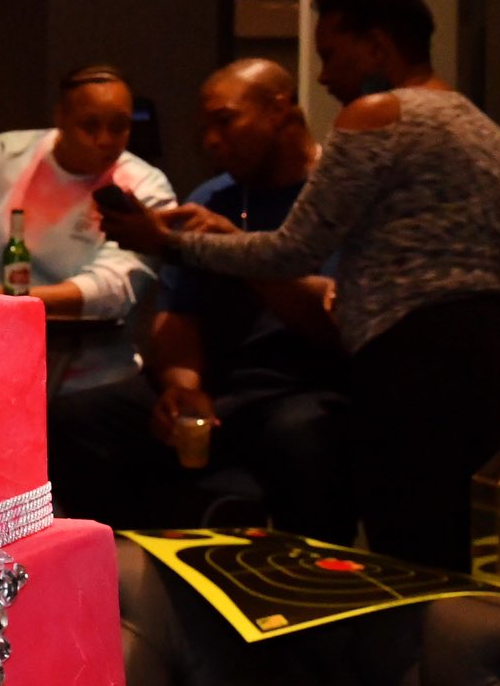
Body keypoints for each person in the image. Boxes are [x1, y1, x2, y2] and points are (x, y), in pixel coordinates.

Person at [104, 0, 500, 571]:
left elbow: (290, 253)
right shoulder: (484, 129)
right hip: (496, 355)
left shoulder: (375, 116)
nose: (325, 77)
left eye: (333, 55)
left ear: (378, 46)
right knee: (471, 556)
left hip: (413, 362)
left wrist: (165, 242)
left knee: (408, 559)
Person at [48, 60, 351, 538]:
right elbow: (176, 314)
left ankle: (308, 588)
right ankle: (132, 565)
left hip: (298, 386)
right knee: (75, 419)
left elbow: (332, 320)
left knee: (303, 437)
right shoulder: (214, 195)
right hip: (217, 388)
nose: (211, 141)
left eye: (225, 121)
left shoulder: (336, 193)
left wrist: (234, 248)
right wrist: (181, 383)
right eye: (204, 130)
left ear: (279, 110)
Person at [0, 64, 176, 391]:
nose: (105, 140)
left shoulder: (145, 187)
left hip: (90, 373)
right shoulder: (0, 156)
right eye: (90, 125)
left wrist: (15, 300)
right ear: (61, 117)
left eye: (119, 127)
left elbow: (115, 288)